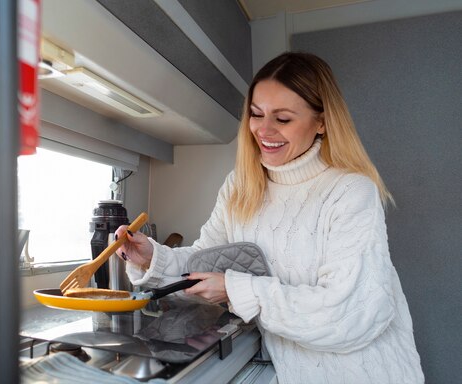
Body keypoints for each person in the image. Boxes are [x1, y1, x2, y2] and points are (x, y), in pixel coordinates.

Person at [115, 52, 424, 383]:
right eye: (256, 114)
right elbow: (207, 262)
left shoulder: (349, 191)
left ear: (322, 121)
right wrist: (153, 258)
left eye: (283, 119)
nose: (263, 130)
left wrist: (236, 290)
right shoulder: (241, 185)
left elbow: (351, 314)